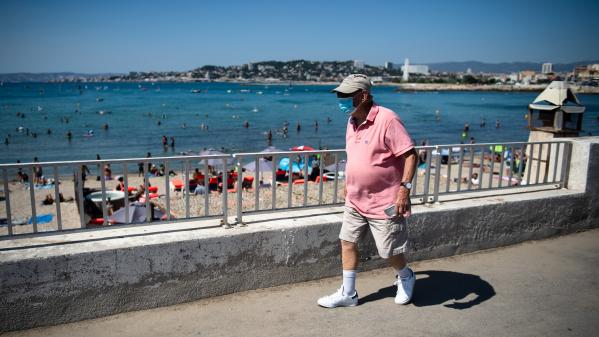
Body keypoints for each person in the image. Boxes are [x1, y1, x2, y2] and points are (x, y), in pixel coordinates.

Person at [318, 74, 418, 308]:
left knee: (389, 251)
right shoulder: (352, 120)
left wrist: (405, 189)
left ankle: (406, 276)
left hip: (384, 200)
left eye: (345, 95)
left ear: (363, 96)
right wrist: (349, 182)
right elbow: (356, 157)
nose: (340, 99)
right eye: (339, 95)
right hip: (355, 198)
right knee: (347, 242)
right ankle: (348, 294)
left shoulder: (388, 119)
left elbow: (411, 155)